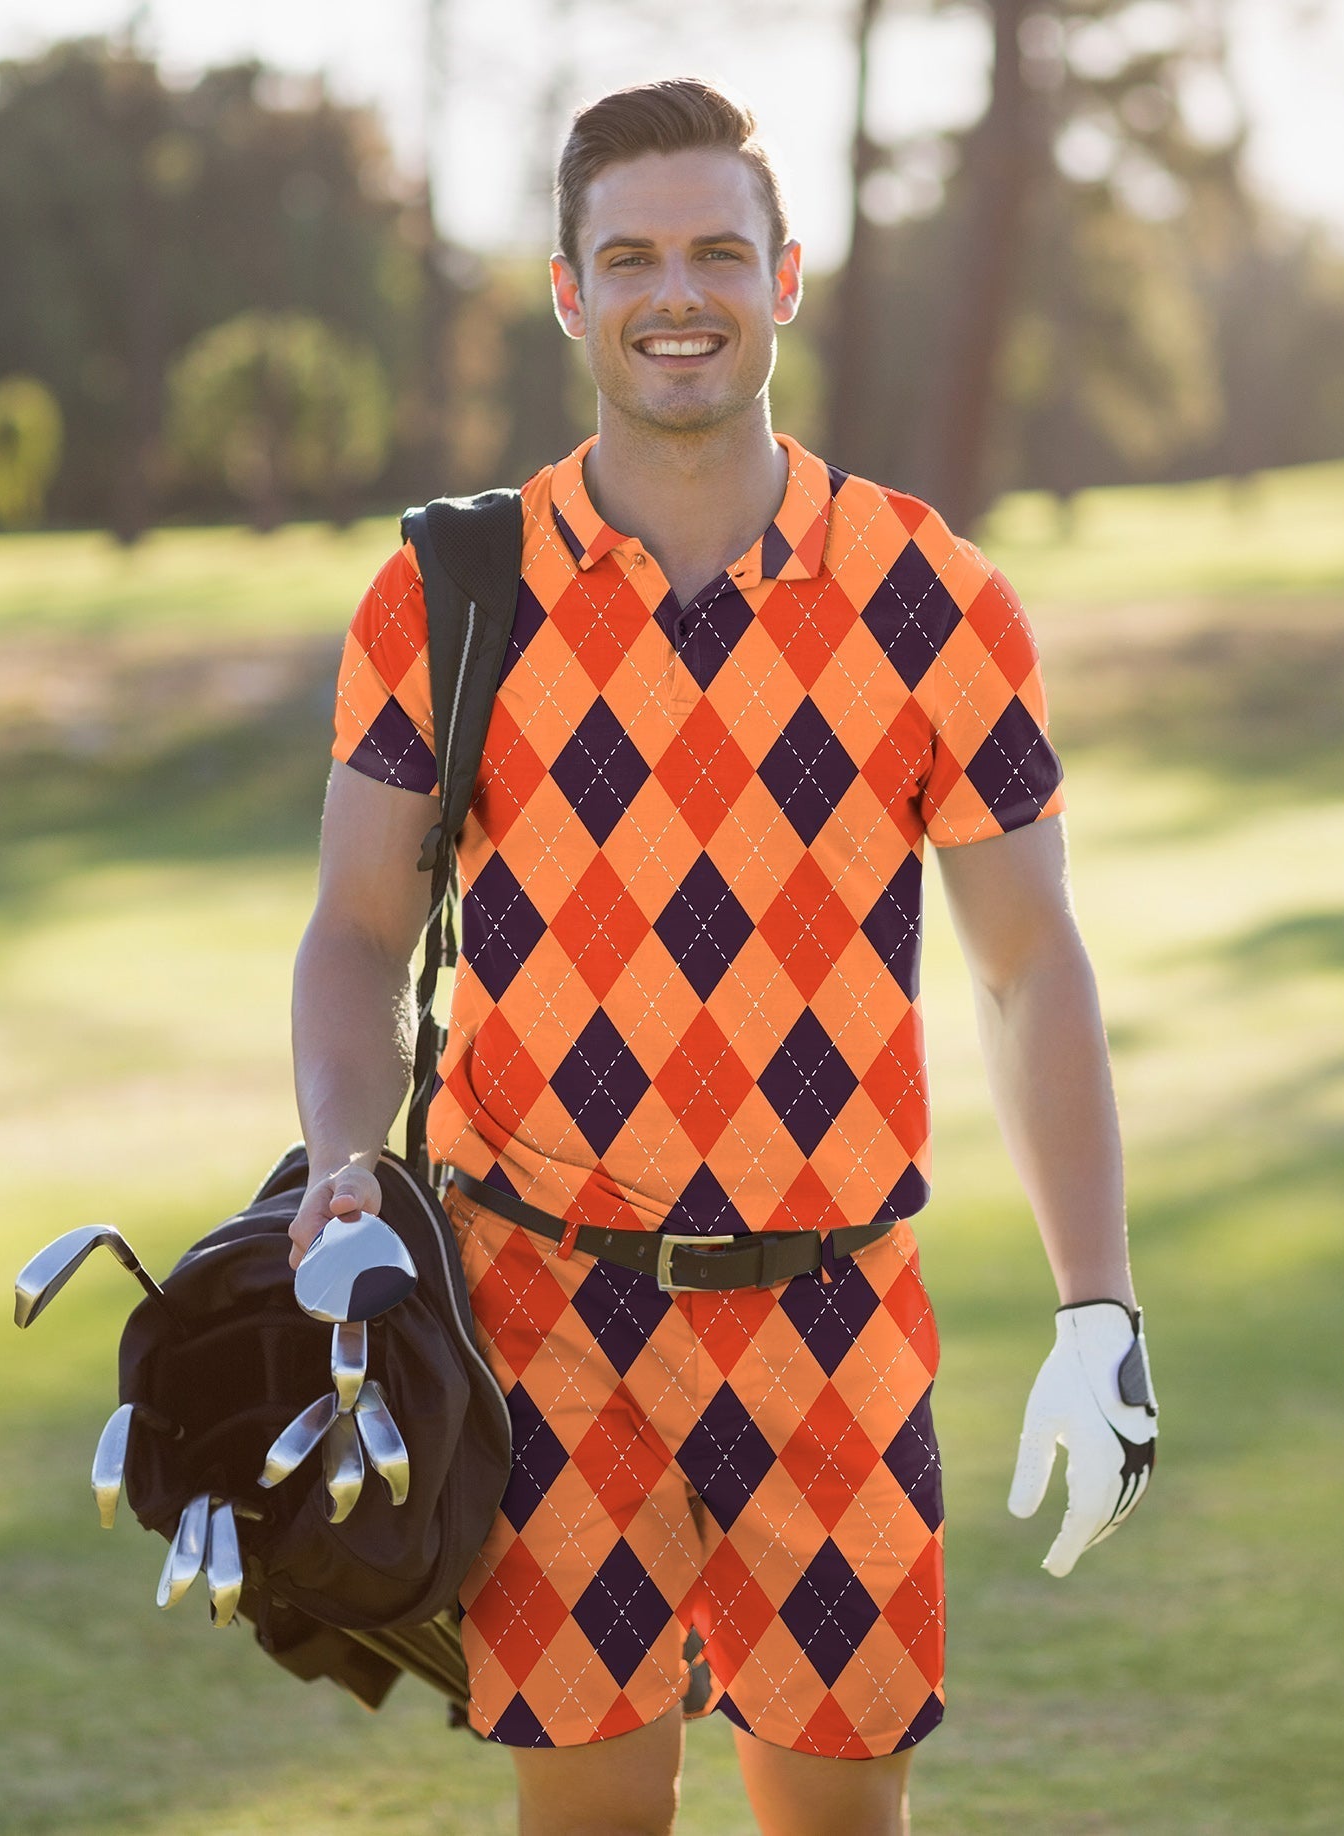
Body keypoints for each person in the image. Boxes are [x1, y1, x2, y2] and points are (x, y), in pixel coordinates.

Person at [288, 77, 1153, 1836]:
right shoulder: (453, 592)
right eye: (632, 257)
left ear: (788, 276)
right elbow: (360, 929)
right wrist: (339, 1162)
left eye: (715, 253)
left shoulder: (934, 594)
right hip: (538, 1316)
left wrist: (1100, 1307)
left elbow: (1028, 967)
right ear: (568, 291)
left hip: (835, 1314)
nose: (675, 291)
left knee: (840, 1819)